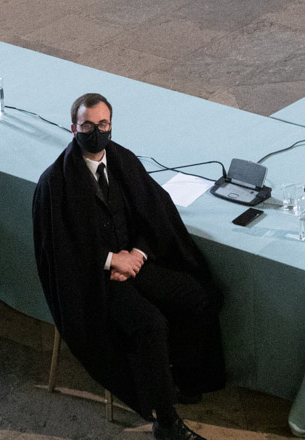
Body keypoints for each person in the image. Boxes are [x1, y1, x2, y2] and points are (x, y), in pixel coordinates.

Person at [33, 93, 223, 440]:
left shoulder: (123, 161)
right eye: (88, 126)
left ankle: (185, 378)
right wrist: (110, 260)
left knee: (198, 294)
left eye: (103, 125)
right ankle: (166, 423)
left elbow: (155, 215)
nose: (96, 132)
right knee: (150, 324)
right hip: (95, 281)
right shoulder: (55, 183)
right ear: (73, 128)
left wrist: (137, 253)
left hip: (134, 265)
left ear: (111, 126)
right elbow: (59, 251)